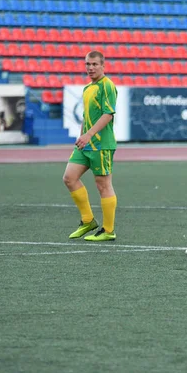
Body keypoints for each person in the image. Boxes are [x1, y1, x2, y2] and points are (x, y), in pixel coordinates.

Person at [62, 50, 118, 241]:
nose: (91, 68)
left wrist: (88, 134)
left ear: (103, 66)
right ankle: (88, 221)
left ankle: (108, 230)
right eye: (88, 64)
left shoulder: (107, 86)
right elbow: (87, 116)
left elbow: (108, 114)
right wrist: (81, 137)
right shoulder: (87, 88)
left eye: (95, 64)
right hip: (85, 144)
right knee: (69, 178)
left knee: (103, 185)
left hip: (102, 145)